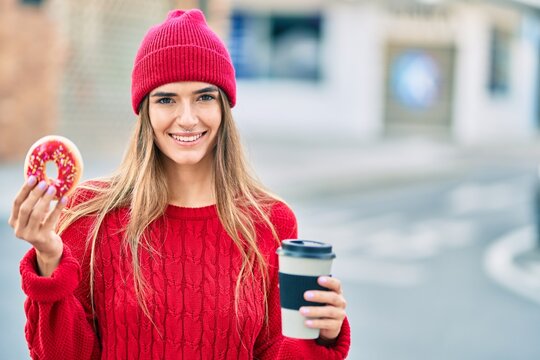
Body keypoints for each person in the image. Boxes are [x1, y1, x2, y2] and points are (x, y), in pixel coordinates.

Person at [9, 9, 350, 360]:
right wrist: (49, 261)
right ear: (145, 111)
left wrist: (321, 335)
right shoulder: (91, 215)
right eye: (166, 99)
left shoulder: (270, 222)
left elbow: (276, 351)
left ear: (223, 107)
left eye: (204, 97)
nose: (187, 119)